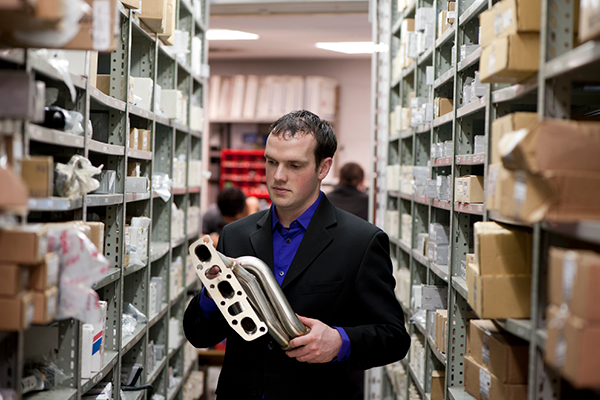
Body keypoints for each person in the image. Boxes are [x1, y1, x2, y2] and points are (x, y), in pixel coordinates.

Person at [184, 110, 410, 399]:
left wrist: (339, 342)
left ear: (323, 168)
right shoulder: (235, 235)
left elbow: (393, 337)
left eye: (294, 165)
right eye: (271, 162)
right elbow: (200, 335)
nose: (278, 176)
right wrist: (210, 295)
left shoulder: (361, 241)